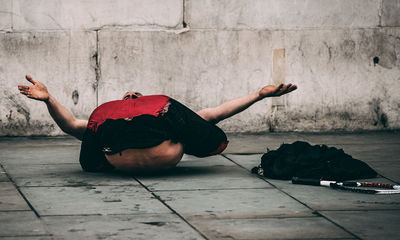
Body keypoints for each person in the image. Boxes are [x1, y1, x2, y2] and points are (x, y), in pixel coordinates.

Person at [18, 75, 297, 172]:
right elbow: (69, 124)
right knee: (95, 124)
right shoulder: (109, 120)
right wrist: (48, 99)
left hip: (146, 140)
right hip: (124, 140)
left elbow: (218, 111)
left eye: (135, 96)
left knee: (194, 117)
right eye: (129, 96)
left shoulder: (165, 118)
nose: (132, 95)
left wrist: (259, 95)